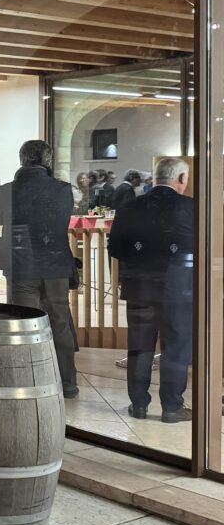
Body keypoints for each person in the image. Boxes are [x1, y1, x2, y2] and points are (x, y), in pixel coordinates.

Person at [108, 157, 194, 422]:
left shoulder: (130, 207)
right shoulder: (192, 207)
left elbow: (115, 248)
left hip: (139, 286)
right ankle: (172, 407)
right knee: (176, 346)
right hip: (178, 288)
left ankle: (139, 405)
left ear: (156, 177)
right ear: (181, 179)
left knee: (139, 347)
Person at [0, 140, 80, 398]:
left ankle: (27, 381)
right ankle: (67, 383)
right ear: (47, 161)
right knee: (60, 323)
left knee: (24, 326)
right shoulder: (63, 190)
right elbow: (64, 217)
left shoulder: (6, 191)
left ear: (22, 160)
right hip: (56, 266)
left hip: (22, 265)